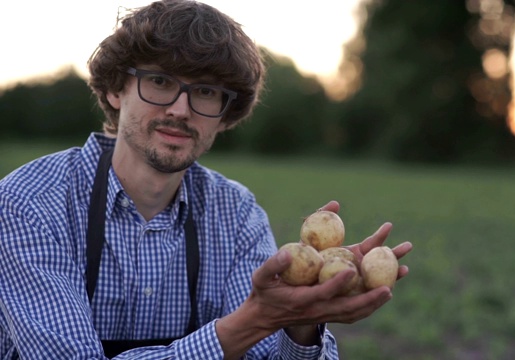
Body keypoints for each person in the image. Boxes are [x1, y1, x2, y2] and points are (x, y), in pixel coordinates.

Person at [0, 0, 412, 358]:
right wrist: (244, 327)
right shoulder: (29, 203)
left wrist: (299, 320)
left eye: (206, 92)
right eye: (160, 81)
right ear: (115, 89)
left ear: (225, 115)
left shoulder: (237, 215)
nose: (181, 109)